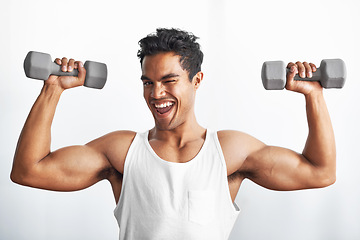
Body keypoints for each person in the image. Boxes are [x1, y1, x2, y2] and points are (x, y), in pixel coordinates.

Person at [11, 28, 336, 240]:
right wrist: (52, 89)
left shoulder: (230, 152)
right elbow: (29, 171)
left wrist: (314, 95)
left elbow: (320, 172)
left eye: (169, 80)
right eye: (148, 82)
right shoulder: (122, 151)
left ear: (196, 80)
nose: (156, 93)